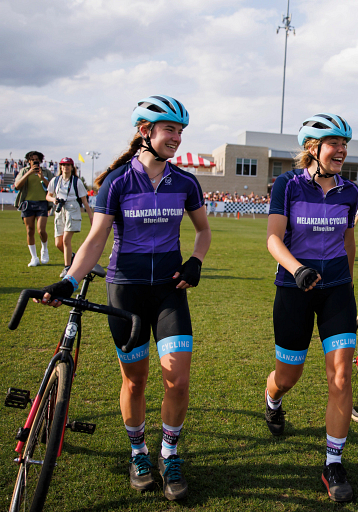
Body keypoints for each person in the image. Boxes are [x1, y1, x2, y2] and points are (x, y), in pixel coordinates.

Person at [36, 95, 210, 501]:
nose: (177, 138)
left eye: (181, 131)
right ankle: (138, 453)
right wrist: (68, 281)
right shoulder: (117, 181)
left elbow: (202, 230)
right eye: (170, 129)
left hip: (169, 292)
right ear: (145, 132)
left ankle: (169, 454)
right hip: (125, 292)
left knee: (178, 379)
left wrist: (196, 261)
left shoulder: (185, 182)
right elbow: (95, 240)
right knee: (135, 381)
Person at [265, 113, 358, 503]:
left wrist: (347, 282)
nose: (341, 150)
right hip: (293, 288)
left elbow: (348, 240)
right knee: (289, 375)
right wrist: (297, 269)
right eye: (334, 144)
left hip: (336, 290)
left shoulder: (349, 191)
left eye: (344, 144)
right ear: (312, 148)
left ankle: (333, 462)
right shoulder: (287, 185)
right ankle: (272, 398)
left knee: (340, 376)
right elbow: (273, 237)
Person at [46, 157, 94, 277]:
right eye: (63, 165)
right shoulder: (55, 180)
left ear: (72, 167)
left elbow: (84, 201)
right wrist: (54, 200)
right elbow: (48, 195)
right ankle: (74, 258)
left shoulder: (77, 182)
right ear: (60, 167)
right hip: (60, 210)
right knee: (58, 243)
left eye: (68, 165)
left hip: (73, 210)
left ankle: (67, 268)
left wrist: (91, 216)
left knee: (66, 240)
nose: (65, 167)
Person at [14, 151, 54, 267]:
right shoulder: (24, 171)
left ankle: (44, 249)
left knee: (41, 230)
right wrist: (29, 173)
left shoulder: (46, 172)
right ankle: (34, 257)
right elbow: (17, 186)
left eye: (36, 160)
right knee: (29, 230)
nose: (34, 162)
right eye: (32, 160)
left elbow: (52, 187)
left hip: (42, 203)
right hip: (27, 203)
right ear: (29, 161)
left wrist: (42, 178)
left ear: (40, 161)